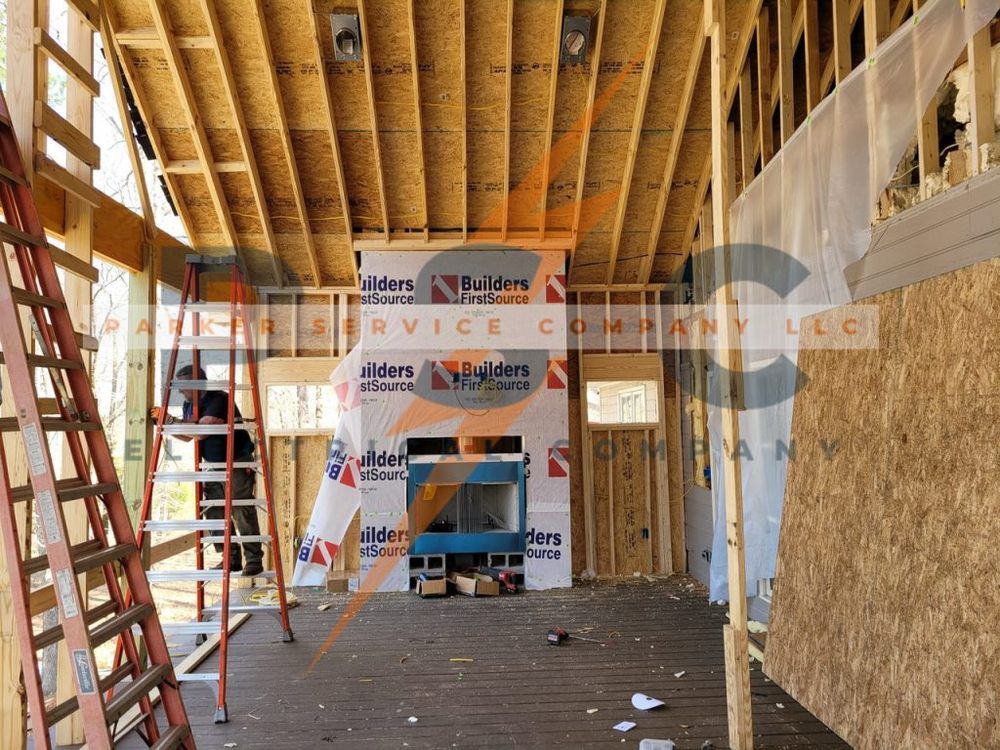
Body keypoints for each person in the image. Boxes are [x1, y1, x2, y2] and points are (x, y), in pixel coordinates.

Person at [151, 364, 263, 577]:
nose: (180, 391)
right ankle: (230, 558)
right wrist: (167, 425)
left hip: (236, 462)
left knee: (241, 509)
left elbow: (202, 431)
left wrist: (173, 421)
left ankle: (254, 560)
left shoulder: (218, 399)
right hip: (212, 464)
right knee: (213, 510)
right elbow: (187, 436)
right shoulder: (189, 405)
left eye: (184, 386)